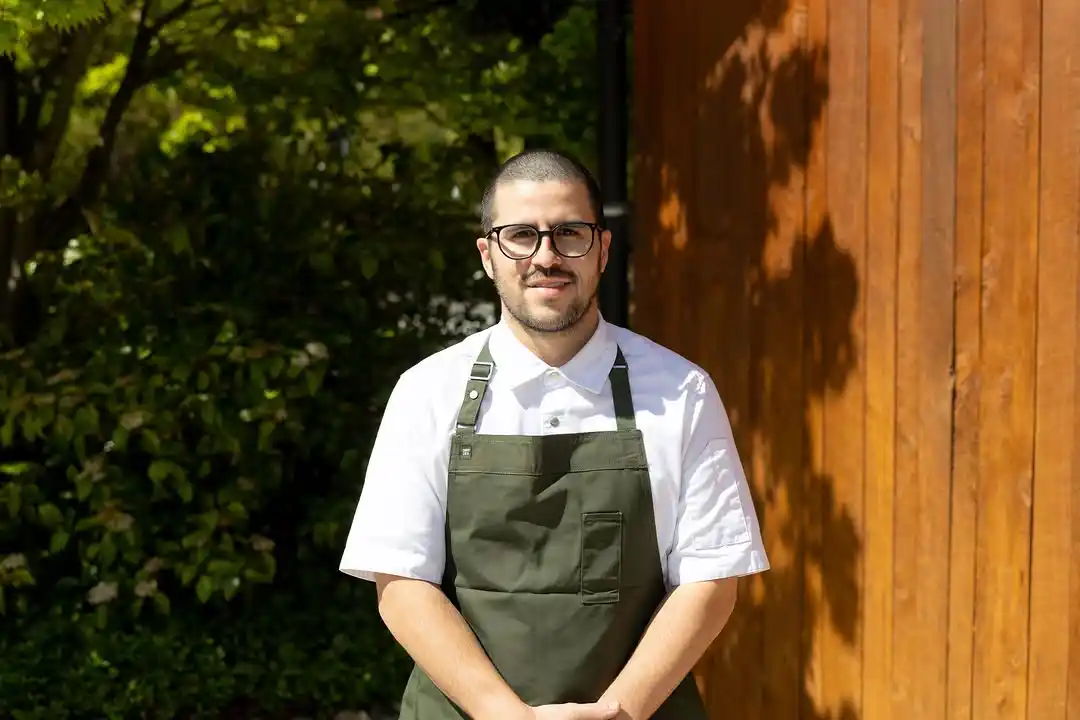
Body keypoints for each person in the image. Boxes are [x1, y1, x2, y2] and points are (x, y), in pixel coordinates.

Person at [339, 149, 769, 720]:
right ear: (488, 255)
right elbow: (400, 581)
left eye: (569, 233)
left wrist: (618, 712)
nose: (546, 256)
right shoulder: (427, 392)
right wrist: (504, 714)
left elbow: (711, 579)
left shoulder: (681, 391)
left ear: (603, 250)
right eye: (521, 235)